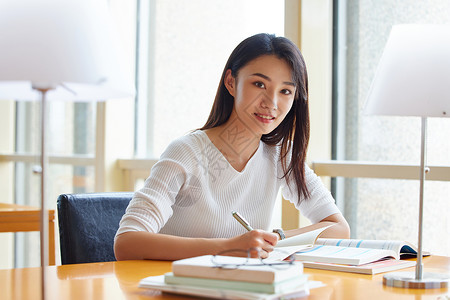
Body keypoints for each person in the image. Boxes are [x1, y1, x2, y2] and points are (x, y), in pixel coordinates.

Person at [114, 33, 350, 261]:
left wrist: (274, 239)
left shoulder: (280, 156)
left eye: (285, 91)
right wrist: (227, 247)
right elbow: (127, 243)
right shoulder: (186, 152)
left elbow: (338, 228)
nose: (272, 103)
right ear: (230, 82)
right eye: (259, 84)